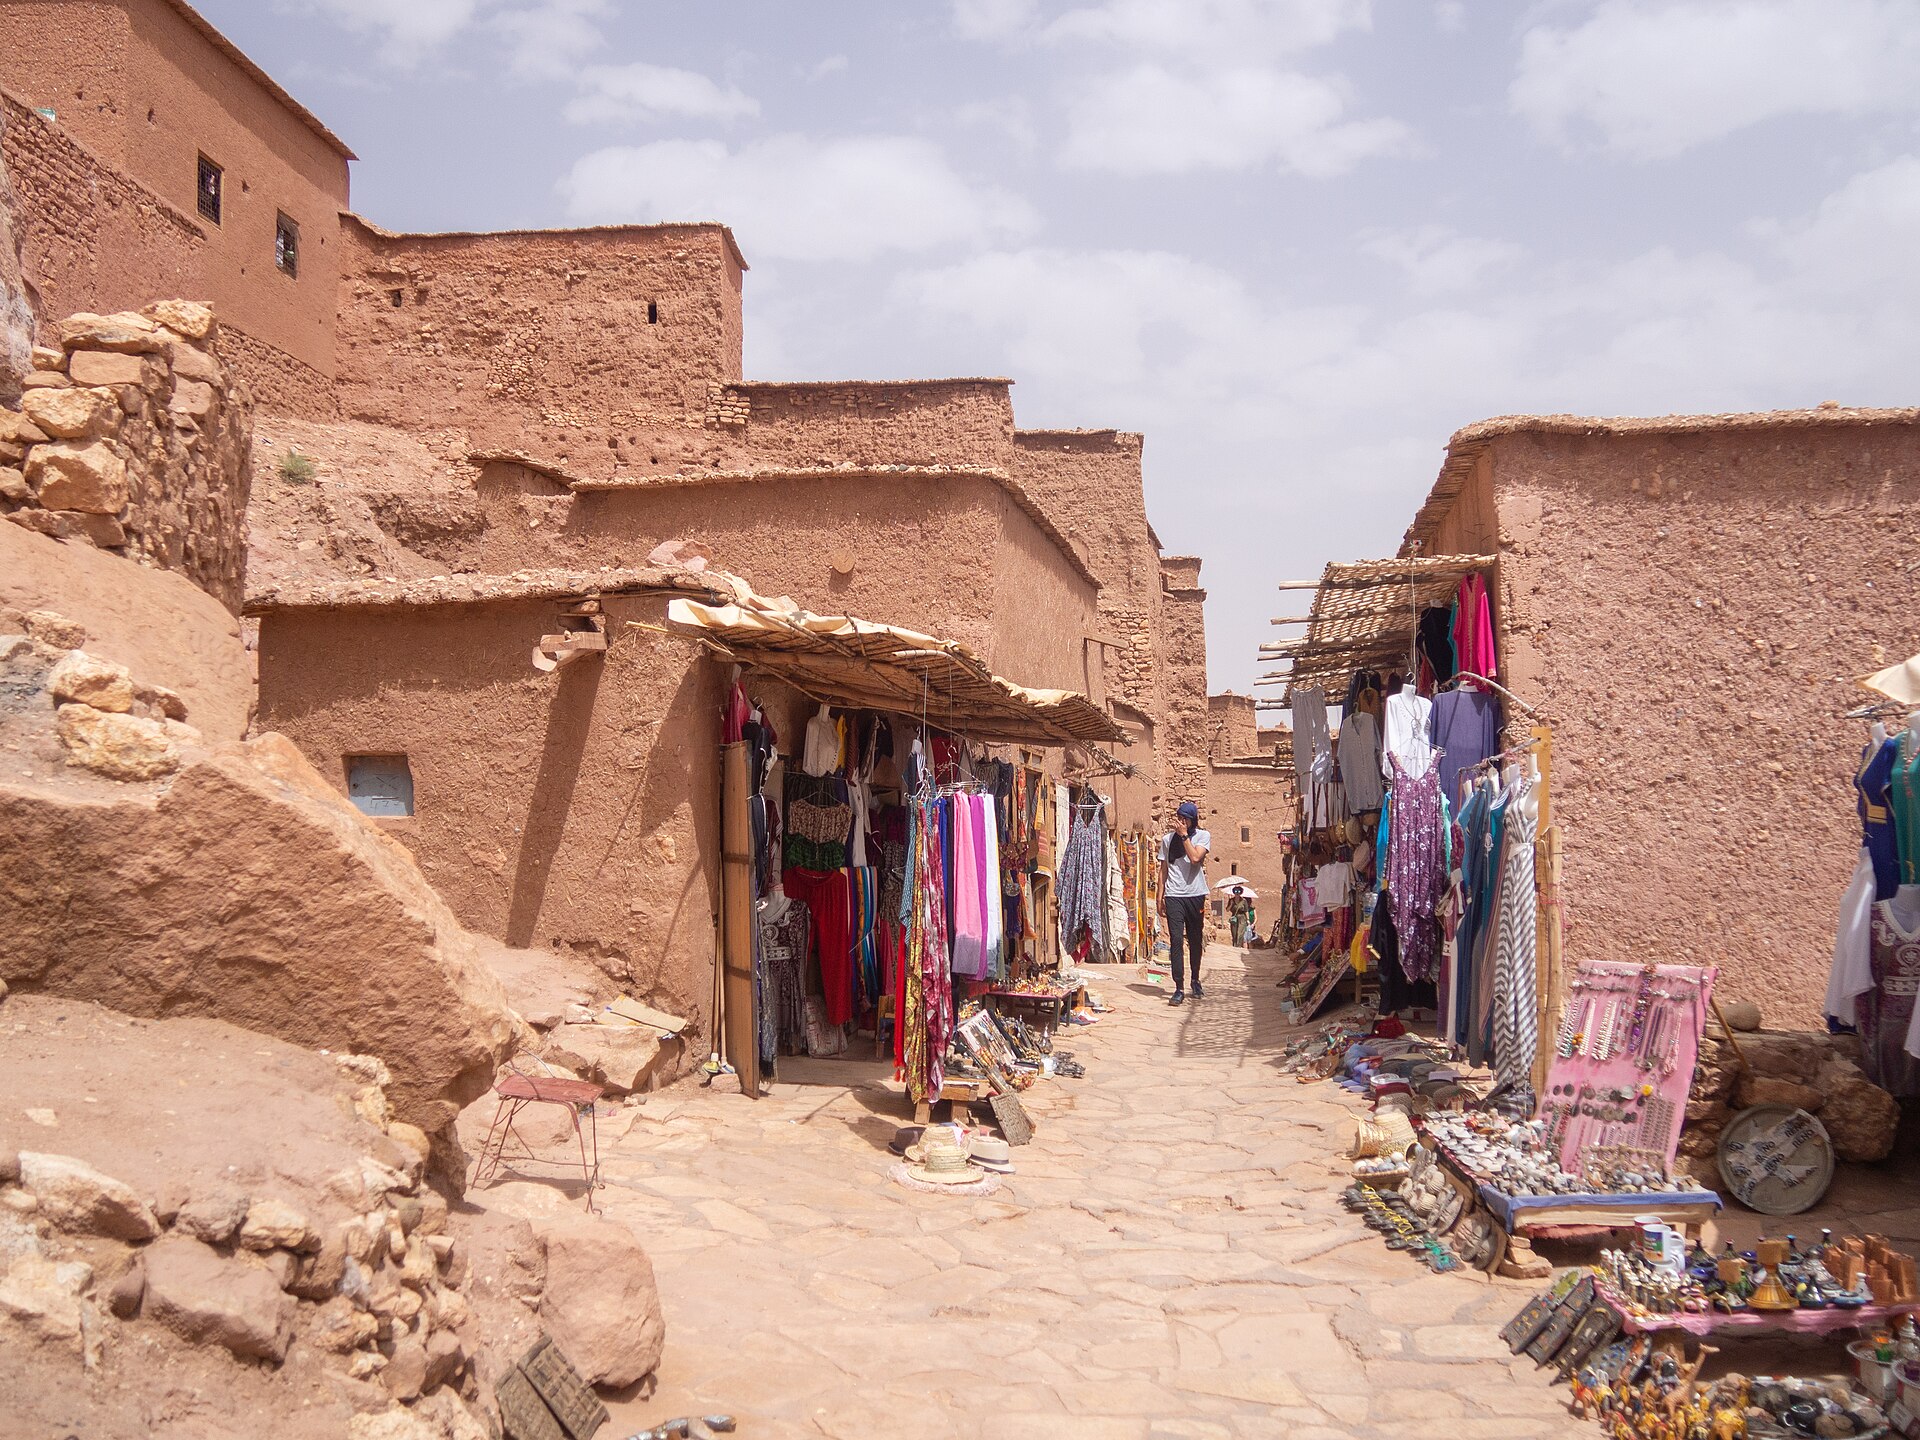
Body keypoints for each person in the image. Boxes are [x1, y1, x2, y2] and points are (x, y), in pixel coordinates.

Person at [1160, 800, 1210, 1005]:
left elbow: (1195, 858)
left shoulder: (1202, 836)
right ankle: (1178, 986)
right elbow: (1163, 868)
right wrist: (1159, 895)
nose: (1181, 821)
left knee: (1195, 939)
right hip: (1174, 895)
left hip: (1195, 894)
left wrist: (1184, 837)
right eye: (1179, 818)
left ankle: (1195, 979)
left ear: (1192, 821)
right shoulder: (1167, 840)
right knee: (1176, 941)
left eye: (1185, 819)